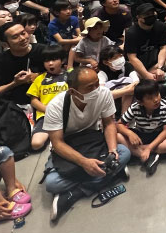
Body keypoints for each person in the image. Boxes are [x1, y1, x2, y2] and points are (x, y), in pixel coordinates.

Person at [42, 66, 131, 222]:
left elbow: (109, 123)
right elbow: (57, 143)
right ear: (73, 91)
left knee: (124, 152)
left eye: (97, 83)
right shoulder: (55, 106)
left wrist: (112, 150)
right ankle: (111, 173)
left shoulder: (104, 94)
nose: (97, 89)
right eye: (90, 87)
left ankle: (75, 193)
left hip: (92, 141)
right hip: (69, 147)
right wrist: (84, 162)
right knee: (52, 184)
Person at [116, 79, 166, 175]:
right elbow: (119, 124)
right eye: (149, 98)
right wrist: (129, 133)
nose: (156, 99)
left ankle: (138, 152)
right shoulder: (135, 107)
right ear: (140, 102)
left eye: (157, 94)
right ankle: (149, 156)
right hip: (140, 135)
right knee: (117, 136)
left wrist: (149, 148)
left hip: (158, 136)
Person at [27, 45, 69, 151]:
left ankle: (56, 135)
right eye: (46, 61)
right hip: (46, 115)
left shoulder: (70, 76)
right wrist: (48, 110)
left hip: (68, 114)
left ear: (63, 60)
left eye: (54, 60)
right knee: (36, 144)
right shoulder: (40, 79)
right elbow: (34, 100)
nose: (50, 63)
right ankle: (55, 134)